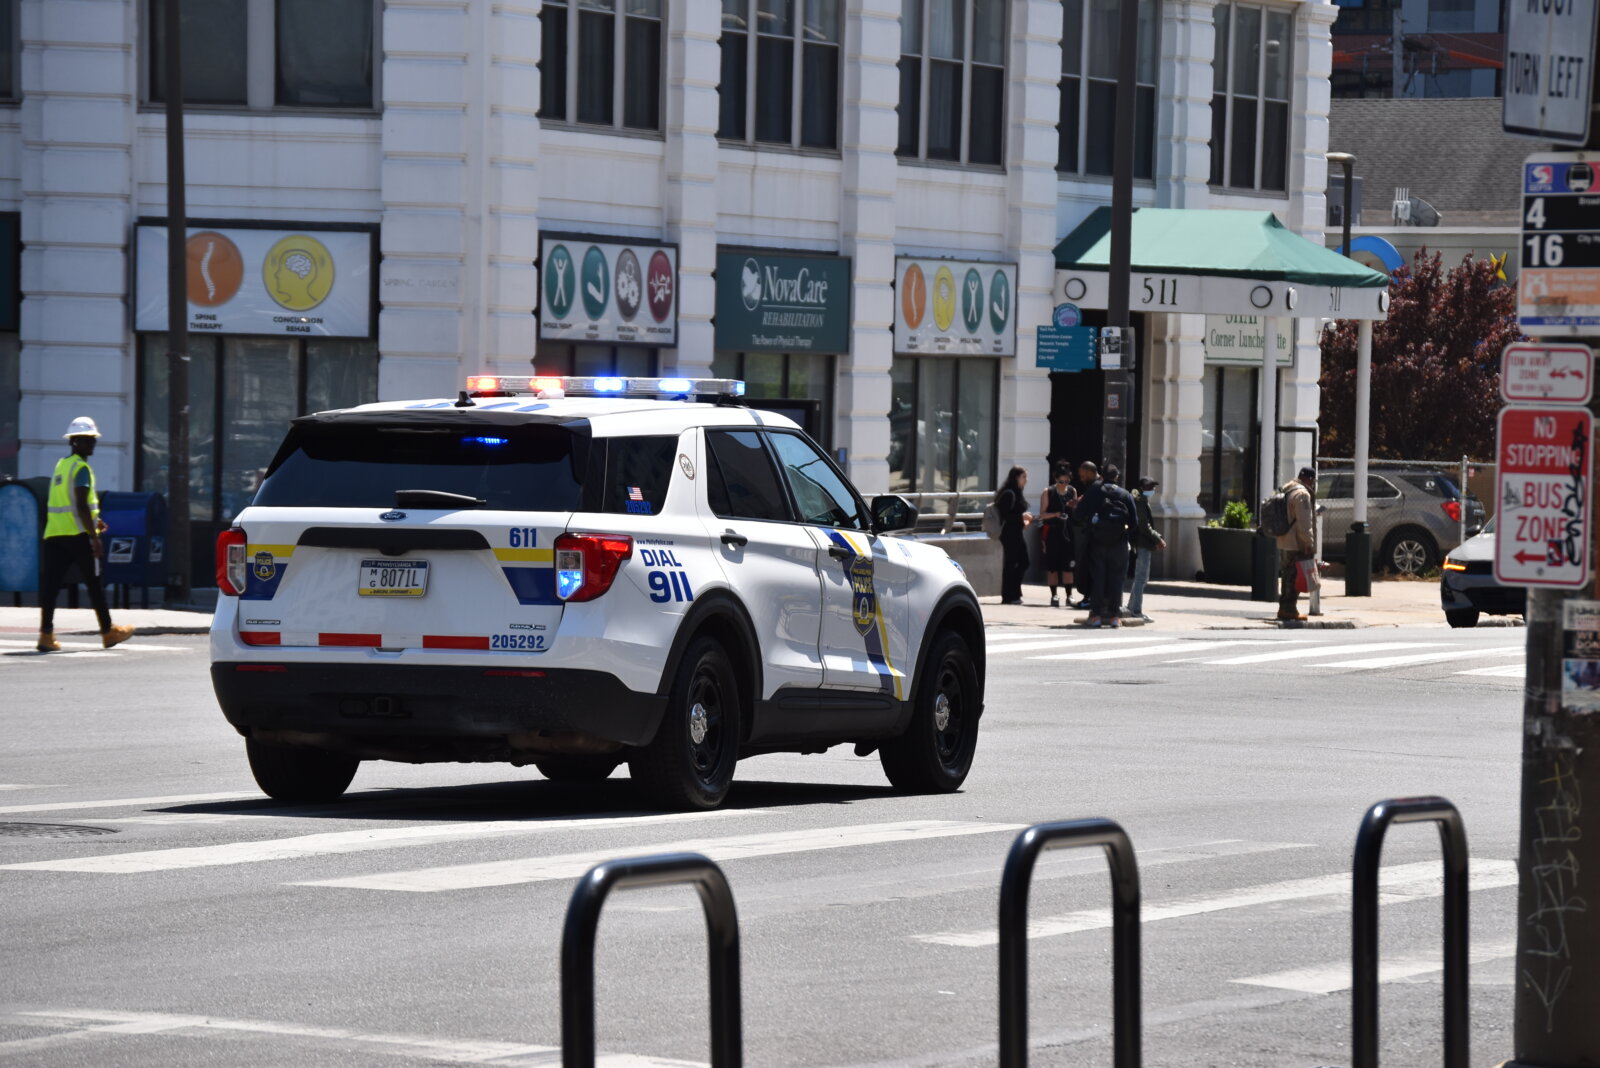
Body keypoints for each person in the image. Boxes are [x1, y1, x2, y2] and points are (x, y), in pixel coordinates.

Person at [37, 417, 135, 652]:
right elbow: (80, 504)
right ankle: (108, 631)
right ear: (75, 442)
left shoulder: (61, 465)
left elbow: (69, 503)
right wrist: (94, 537)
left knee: (50, 585)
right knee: (94, 583)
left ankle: (46, 635)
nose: (93, 444)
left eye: (93, 440)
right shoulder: (81, 468)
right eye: (88, 440)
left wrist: (94, 520)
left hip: (54, 534)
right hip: (77, 535)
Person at [1076, 462, 1136, 627]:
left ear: (1101, 476)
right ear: (1117, 477)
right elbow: (1134, 522)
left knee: (1098, 578)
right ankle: (1114, 617)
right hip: (1119, 543)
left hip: (1097, 542)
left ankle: (1096, 616)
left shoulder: (1094, 491)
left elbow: (1078, 513)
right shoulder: (1125, 494)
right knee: (1117, 579)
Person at [1276, 465, 1317, 622]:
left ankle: (1283, 608)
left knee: (1286, 576)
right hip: (1296, 542)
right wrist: (1308, 543)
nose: (1313, 484)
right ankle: (1290, 609)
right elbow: (1304, 523)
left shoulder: (1288, 490)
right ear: (1309, 479)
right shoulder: (1302, 494)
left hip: (1283, 540)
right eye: (1313, 481)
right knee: (1294, 578)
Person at [1126, 476, 1167, 622]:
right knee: (1141, 577)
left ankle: (1132, 607)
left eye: (1153, 488)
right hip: (1143, 543)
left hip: (1144, 543)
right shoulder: (1139, 502)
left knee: (1141, 577)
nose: (1152, 490)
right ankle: (1136, 611)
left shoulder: (1142, 501)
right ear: (1142, 488)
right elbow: (1144, 526)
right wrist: (1158, 538)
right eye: (1149, 488)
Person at [1037, 463, 1077, 607]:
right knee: (1052, 565)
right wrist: (1055, 514)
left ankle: (1069, 595)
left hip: (1067, 532)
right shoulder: (1048, 492)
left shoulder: (1072, 491)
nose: (1064, 485)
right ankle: (1054, 595)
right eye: (1061, 481)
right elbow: (1042, 514)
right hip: (1052, 531)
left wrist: (1075, 506)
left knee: (1068, 565)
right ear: (1056, 479)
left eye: (1067, 482)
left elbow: (1075, 512)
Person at [994, 466, 1032, 605]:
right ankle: (1009, 595)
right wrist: (1022, 517)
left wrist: (1023, 520)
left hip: (1016, 532)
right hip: (1009, 534)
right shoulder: (1009, 493)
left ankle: (1014, 592)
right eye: (1024, 477)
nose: (1026, 480)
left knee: (1022, 562)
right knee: (1012, 564)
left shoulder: (1016, 492)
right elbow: (1006, 515)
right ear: (1016, 477)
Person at [1069, 461, 1100, 608]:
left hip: (1093, 534)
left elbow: (1082, 512)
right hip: (1098, 533)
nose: (1081, 479)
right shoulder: (1099, 486)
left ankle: (1089, 598)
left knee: (1088, 567)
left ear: (1089, 473)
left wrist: (1077, 507)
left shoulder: (1094, 488)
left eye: (1083, 476)